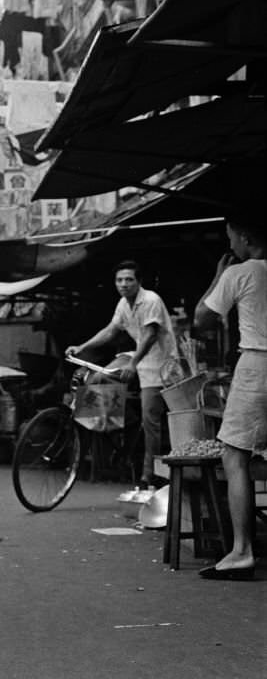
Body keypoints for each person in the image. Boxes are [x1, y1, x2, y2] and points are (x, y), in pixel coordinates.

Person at [193, 212, 267, 580]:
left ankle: (241, 551)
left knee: (234, 454)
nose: (230, 245)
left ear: (245, 237)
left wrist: (217, 277)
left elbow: (200, 319)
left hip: (257, 364)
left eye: (232, 238)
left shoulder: (240, 272)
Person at [68, 260, 176, 490]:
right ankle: (120, 427)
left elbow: (149, 336)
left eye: (129, 279)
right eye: (119, 280)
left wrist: (134, 364)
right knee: (97, 380)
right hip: (137, 356)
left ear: (139, 282)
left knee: (151, 420)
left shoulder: (151, 300)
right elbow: (110, 331)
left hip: (160, 363)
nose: (124, 284)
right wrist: (83, 347)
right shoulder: (123, 304)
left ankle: (149, 475)